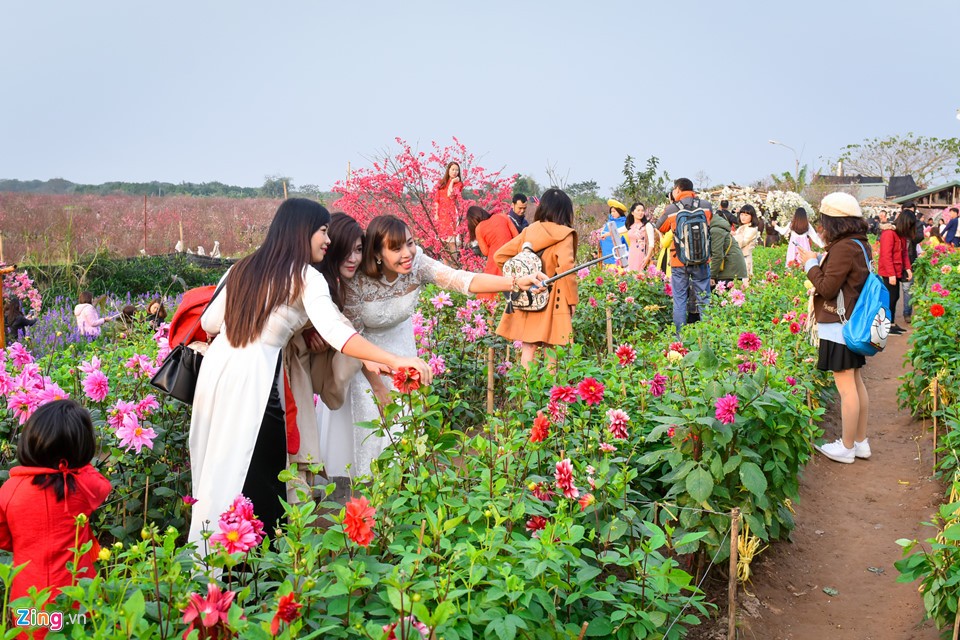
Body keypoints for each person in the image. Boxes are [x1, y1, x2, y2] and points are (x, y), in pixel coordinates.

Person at [188, 199, 434, 546]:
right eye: (322, 231)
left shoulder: (241, 268)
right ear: (301, 231)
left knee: (218, 460)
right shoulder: (304, 277)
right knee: (258, 465)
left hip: (219, 370)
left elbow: (210, 321)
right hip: (259, 375)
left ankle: (209, 551)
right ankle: (257, 556)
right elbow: (338, 331)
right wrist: (396, 361)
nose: (328, 240)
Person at [335, 214, 544, 478]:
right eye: (396, 248)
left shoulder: (418, 264)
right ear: (377, 254)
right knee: (373, 434)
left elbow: (462, 280)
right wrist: (377, 386)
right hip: (366, 361)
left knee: (406, 434)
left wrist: (514, 283)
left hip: (404, 352)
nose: (407, 253)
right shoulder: (358, 280)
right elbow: (354, 336)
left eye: (410, 243)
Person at [0, 400, 111, 613]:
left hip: (29, 601)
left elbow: (4, 538)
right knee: (81, 633)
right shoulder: (83, 486)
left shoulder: (9, 489)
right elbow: (103, 487)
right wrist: (76, 465)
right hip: (79, 598)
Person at [797, 192, 871, 464]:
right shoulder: (859, 244)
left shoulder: (843, 248)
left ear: (835, 222)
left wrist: (810, 264)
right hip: (853, 322)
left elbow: (827, 288)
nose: (821, 227)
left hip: (840, 324)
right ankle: (860, 442)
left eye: (824, 221)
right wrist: (822, 258)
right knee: (856, 381)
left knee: (845, 386)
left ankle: (847, 447)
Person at [495, 188, 578, 367]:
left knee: (528, 346)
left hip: (529, 296)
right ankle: (548, 393)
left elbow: (500, 256)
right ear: (565, 210)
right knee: (552, 347)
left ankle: (526, 392)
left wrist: (520, 279)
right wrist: (572, 301)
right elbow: (566, 269)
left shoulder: (529, 230)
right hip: (554, 298)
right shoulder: (565, 234)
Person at [656, 178, 714, 333]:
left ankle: (679, 338)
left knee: (680, 300)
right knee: (704, 299)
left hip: (679, 261)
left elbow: (660, 227)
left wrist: (670, 205)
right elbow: (709, 223)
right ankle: (708, 335)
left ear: (677, 190)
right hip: (702, 260)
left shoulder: (671, 209)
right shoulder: (706, 206)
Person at [467, 205, 519, 300]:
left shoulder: (479, 228)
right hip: (512, 256)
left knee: (490, 292)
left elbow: (485, 252)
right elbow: (517, 237)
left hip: (495, 261)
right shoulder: (503, 216)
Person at [878, 211, 913, 335]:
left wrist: (908, 268)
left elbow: (904, 253)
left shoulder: (900, 235)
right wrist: (891, 274)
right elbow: (886, 255)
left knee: (894, 297)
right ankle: (887, 325)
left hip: (896, 270)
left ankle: (891, 323)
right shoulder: (889, 233)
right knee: (891, 298)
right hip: (889, 271)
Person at [709, 208, 748, 285]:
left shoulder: (716, 230)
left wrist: (712, 275)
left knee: (722, 295)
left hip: (730, 270)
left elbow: (718, 255)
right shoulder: (718, 227)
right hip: (733, 267)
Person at [434, 161, 465, 250]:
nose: (455, 172)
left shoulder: (458, 184)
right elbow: (436, 199)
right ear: (448, 170)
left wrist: (452, 182)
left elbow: (449, 194)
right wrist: (436, 214)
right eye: (453, 169)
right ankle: (444, 264)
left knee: (451, 242)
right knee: (443, 243)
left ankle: (453, 264)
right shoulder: (441, 182)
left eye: (457, 170)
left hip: (451, 213)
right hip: (441, 214)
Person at [626, 202, 657, 272]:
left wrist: (647, 257)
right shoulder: (630, 226)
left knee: (640, 277)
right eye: (638, 210)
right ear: (632, 212)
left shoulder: (647, 225)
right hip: (631, 255)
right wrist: (605, 234)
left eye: (642, 210)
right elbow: (618, 231)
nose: (641, 213)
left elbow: (651, 244)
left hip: (641, 255)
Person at [733, 205, 761, 278]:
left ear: (752, 216)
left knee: (745, 281)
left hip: (745, 259)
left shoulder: (752, 229)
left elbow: (741, 243)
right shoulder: (741, 227)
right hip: (737, 258)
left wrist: (733, 235)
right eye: (741, 214)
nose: (743, 217)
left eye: (746, 215)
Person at [598, 199, 629, 265]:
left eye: (614, 211)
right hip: (607, 256)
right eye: (611, 212)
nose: (612, 213)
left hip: (620, 257)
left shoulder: (625, 223)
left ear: (619, 212)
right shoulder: (609, 223)